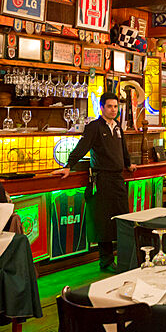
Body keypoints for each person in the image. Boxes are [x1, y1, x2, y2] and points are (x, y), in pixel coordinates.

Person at [51, 92, 136, 271]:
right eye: (110, 106)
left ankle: (124, 259)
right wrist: (68, 166)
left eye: (116, 106)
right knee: (104, 222)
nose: (113, 110)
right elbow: (82, 147)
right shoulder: (94, 127)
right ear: (101, 108)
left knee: (122, 219)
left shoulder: (118, 127)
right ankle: (105, 262)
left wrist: (128, 164)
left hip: (118, 179)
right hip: (102, 179)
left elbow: (123, 149)